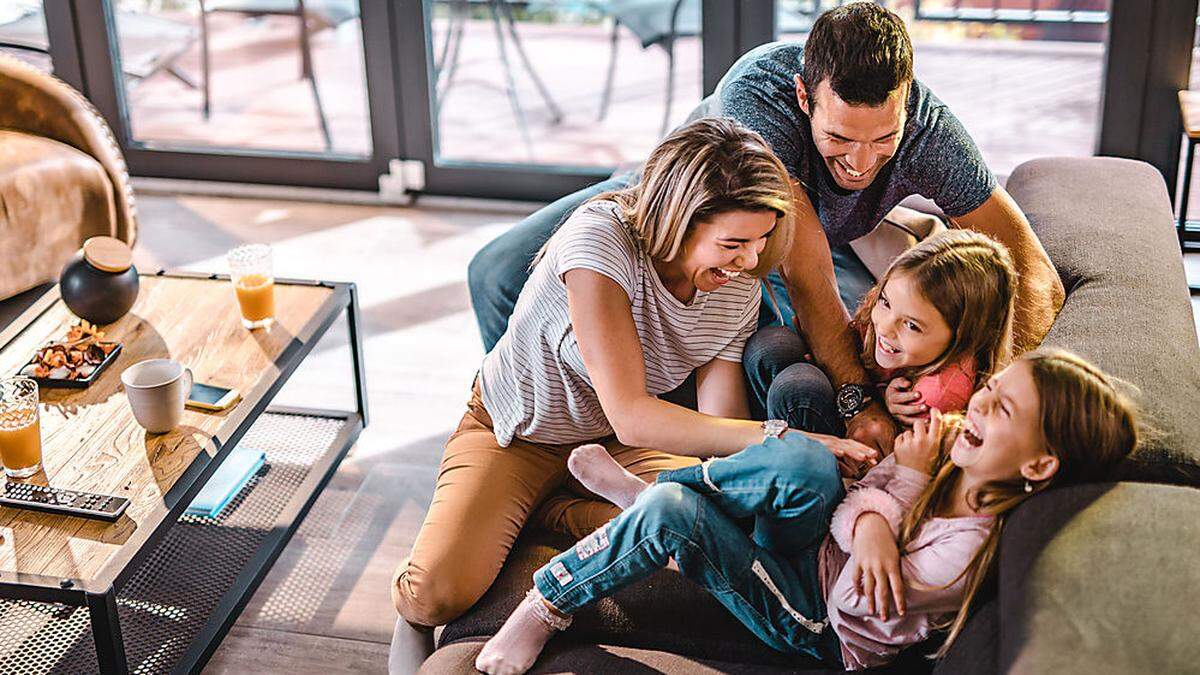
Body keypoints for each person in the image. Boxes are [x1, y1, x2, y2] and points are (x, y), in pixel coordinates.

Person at [466, 4, 1064, 456]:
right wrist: (858, 406)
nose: (860, 163)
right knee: (494, 273)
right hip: (678, 201)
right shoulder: (760, 98)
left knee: (874, 333)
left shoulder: (932, 133)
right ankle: (542, 443)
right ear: (806, 98)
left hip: (799, 243)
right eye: (839, 140)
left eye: (883, 140)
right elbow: (806, 278)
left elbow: (1034, 270)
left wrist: (987, 387)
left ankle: (635, 435)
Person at [391, 118, 877, 628]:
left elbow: (720, 422)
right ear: (679, 220)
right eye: (734, 243)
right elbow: (631, 414)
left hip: (619, 447)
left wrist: (773, 468)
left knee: (718, 531)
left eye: (762, 240)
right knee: (434, 597)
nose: (752, 259)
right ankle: (546, 504)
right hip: (523, 433)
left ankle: (560, 506)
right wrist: (786, 438)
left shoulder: (734, 280)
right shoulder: (600, 243)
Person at [474, 350, 1139, 673]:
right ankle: (657, 501)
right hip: (817, 552)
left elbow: (854, 602)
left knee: (674, 511)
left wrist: (895, 490)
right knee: (805, 462)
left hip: (813, 616)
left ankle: (549, 599)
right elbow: (855, 510)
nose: (981, 407)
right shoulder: (947, 459)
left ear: (1039, 465)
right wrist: (877, 504)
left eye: (1004, 412)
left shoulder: (965, 551)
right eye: (990, 390)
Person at [753, 229, 1018, 435]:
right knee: (772, 344)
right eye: (886, 302)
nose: (886, 327)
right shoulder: (891, 332)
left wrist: (887, 410)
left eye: (912, 325)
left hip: (860, 462)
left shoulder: (937, 395)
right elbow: (858, 341)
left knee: (798, 387)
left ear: (965, 337)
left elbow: (897, 462)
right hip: (857, 402)